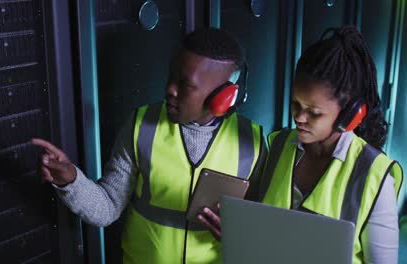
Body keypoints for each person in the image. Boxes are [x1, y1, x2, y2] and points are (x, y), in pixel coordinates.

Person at [32, 27, 266, 263]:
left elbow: (262, 234)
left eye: (185, 85)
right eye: (171, 76)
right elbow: (108, 208)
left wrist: (240, 235)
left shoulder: (252, 143)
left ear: (223, 97)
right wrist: (71, 181)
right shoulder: (141, 126)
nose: (170, 89)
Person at [199, 26, 403, 264]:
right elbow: (265, 233)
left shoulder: (375, 176)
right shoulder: (278, 147)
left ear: (351, 115)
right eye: (296, 103)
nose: (299, 117)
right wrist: (238, 235)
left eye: (314, 113)